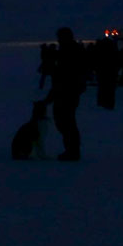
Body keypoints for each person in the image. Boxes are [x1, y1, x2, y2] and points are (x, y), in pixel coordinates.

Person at [48, 27, 89, 161]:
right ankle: (72, 149)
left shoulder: (70, 50)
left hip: (68, 90)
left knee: (66, 121)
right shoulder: (69, 49)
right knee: (65, 121)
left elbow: (67, 71)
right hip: (66, 90)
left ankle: (72, 150)